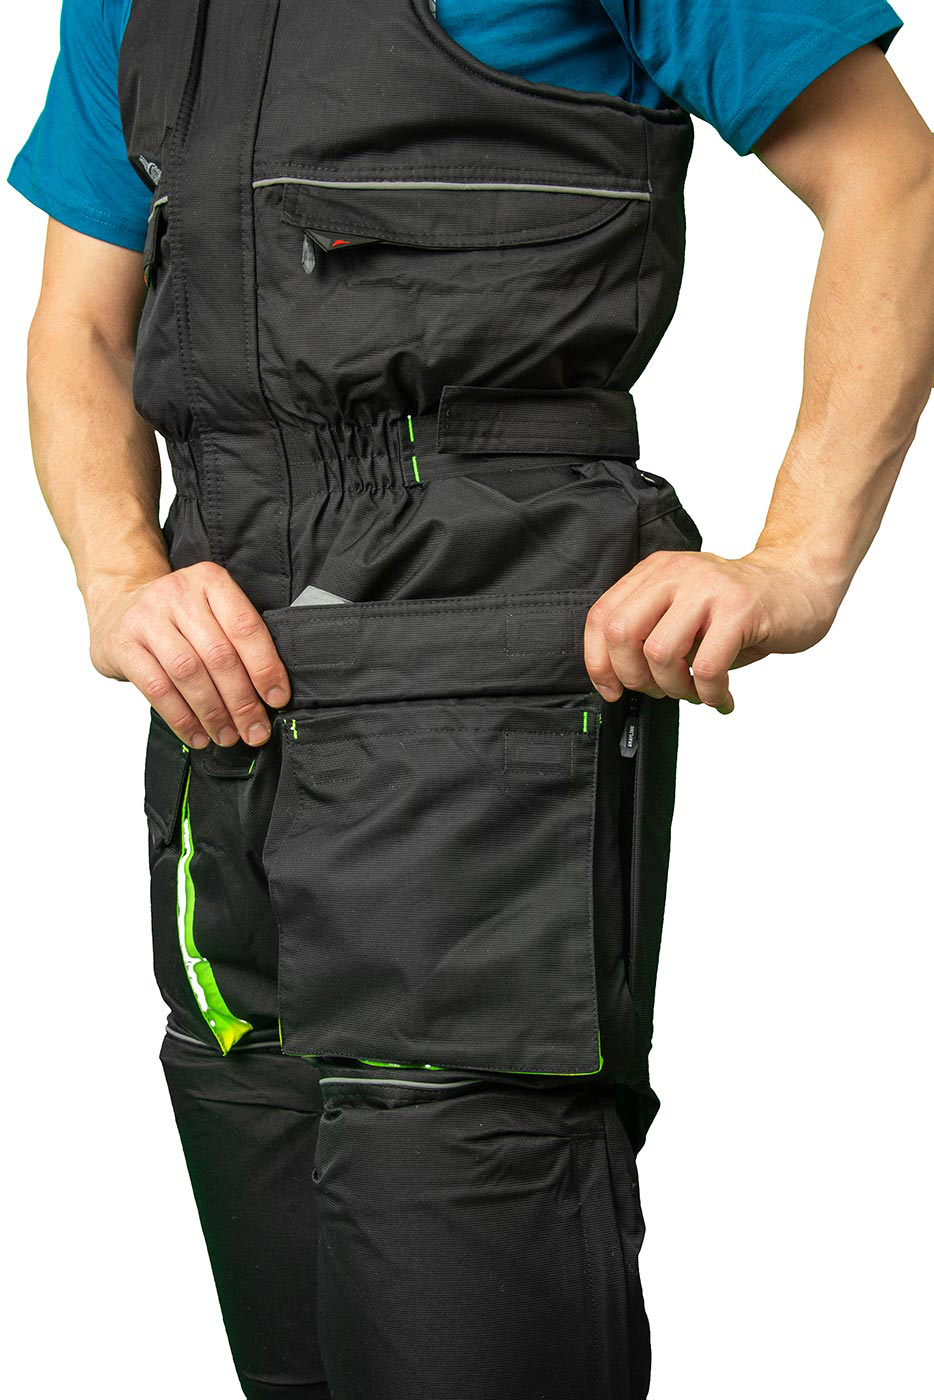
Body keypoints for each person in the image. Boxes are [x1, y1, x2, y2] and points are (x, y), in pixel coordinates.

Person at [9, 2, 932, 1397]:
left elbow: (894, 178)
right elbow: (80, 321)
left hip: (483, 690)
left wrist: (797, 556)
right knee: (292, 1309)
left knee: (459, 1288)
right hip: (225, 722)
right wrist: (119, 575)